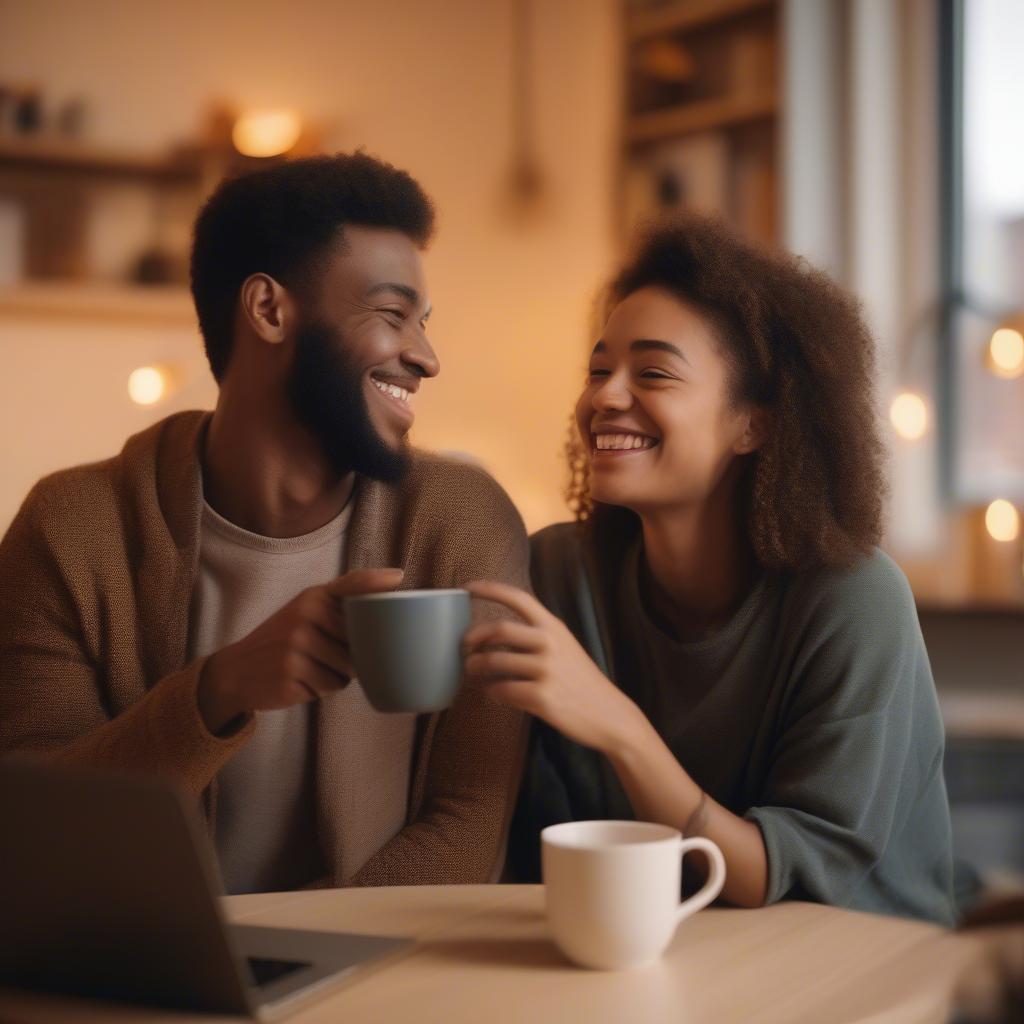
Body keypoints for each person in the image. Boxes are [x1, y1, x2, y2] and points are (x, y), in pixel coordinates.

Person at [0, 152, 529, 894]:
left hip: (372, 985)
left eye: (425, 322)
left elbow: (471, 819)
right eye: (391, 314)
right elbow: (33, 821)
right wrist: (216, 691)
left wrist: (307, 976)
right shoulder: (69, 529)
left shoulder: (462, 520)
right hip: (136, 972)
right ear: (270, 310)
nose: (427, 357)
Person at [464, 214, 957, 925]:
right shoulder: (559, 570)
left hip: (861, 970)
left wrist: (617, 726)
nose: (604, 396)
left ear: (754, 423)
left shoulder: (854, 598)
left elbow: (776, 875)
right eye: (599, 370)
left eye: (653, 373)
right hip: (659, 958)